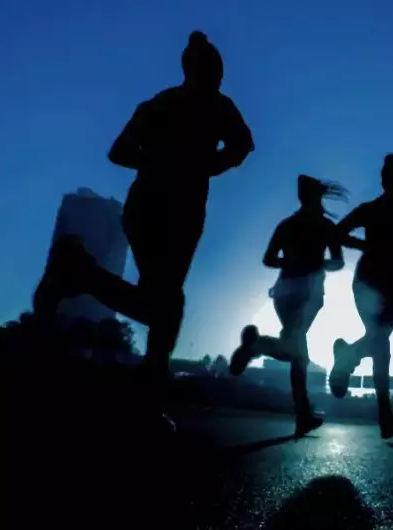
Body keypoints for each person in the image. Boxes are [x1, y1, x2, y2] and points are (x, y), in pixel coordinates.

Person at [32, 31, 255, 432]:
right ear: (209, 71)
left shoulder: (160, 104)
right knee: (166, 306)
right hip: (176, 209)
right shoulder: (217, 106)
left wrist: (157, 160)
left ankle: (81, 274)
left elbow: (119, 152)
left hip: (147, 205)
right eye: (216, 71)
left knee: (165, 303)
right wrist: (200, 165)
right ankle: (81, 273)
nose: (217, 78)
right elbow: (242, 147)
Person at [328, 154, 393, 439]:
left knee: (378, 341)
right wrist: (371, 245)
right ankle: (383, 414)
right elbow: (337, 234)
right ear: (388, 182)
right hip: (371, 283)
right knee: (380, 342)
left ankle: (347, 359)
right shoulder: (378, 210)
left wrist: (392, 248)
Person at [229, 175, 347, 437]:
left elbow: (269, 259)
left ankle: (303, 415)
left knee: (298, 354)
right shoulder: (325, 226)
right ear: (317, 197)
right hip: (308, 293)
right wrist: (317, 264)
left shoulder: (287, 225)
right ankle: (257, 345)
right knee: (297, 352)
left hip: (283, 293)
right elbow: (338, 262)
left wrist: (291, 262)